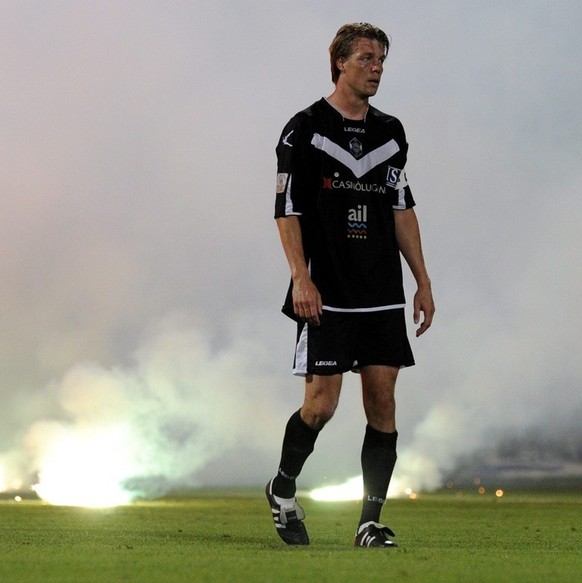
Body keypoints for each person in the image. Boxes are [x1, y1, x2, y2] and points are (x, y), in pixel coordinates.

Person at [266, 22, 435, 549]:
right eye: (366, 58)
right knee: (320, 406)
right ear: (339, 62)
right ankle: (283, 488)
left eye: (381, 59)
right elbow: (286, 210)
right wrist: (301, 277)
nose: (377, 67)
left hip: (381, 289)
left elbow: (402, 209)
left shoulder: (391, 132)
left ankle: (370, 522)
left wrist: (423, 282)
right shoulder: (305, 129)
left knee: (382, 403)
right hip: (327, 289)